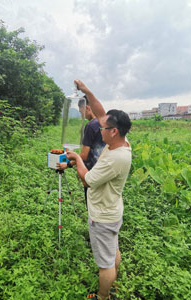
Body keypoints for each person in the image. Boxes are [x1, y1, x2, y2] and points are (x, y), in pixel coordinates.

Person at [66, 80, 132, 300]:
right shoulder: (121, 142)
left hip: (102, 216)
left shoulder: (113, 158)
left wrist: (75, 158)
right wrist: (86, 91)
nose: (99, 129)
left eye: (103, 128)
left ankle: (103, 296)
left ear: (113, 131)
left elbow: (87, 180)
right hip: (113, 210)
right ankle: (113, 276)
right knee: (113, 250)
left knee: (105, 264)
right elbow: (100, 111)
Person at [57, 96, 105, 206]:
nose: (82, 115)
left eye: (81, 111)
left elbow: (83, 156)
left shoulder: (91, 126)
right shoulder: (103, 123)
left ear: (87, 108)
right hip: (103, 170)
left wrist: (68, 164)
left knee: (92, 205)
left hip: (91, 173)